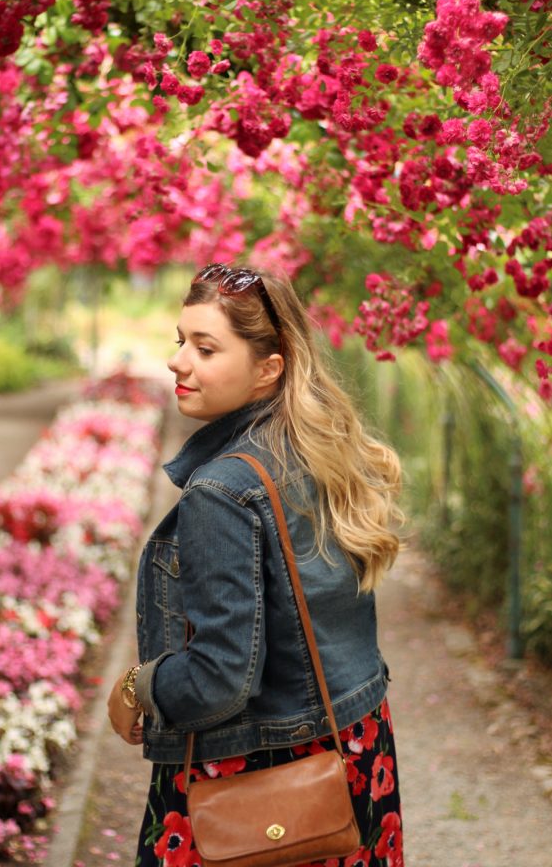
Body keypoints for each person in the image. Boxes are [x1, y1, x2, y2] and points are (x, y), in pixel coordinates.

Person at [108, 263, 404, 867]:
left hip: (258, 781)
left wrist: (140, 684)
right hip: (353, 753)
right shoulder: (315, 449)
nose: (178, 362)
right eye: (180, 340)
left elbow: (219, 679)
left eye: (205, 347)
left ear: (269, 367)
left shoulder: (223, 491)